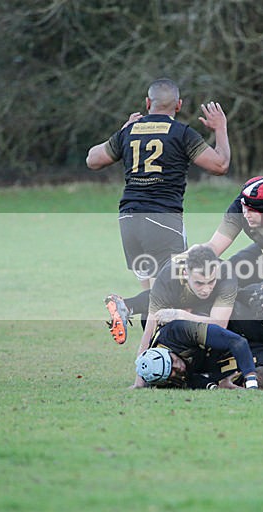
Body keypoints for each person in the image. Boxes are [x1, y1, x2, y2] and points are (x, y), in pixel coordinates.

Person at [86, 78, 230, 346]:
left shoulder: (129, 132)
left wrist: (123, 130)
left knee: (155, 297)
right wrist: (220, 128)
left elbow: (93, 159)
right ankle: (125, 305)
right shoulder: (181, 133)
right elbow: (220, 164)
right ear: (178, 104)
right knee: (175, 292)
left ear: (147, 103)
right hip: (163, 221)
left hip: (129, 222)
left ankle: (154, 358)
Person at [130, 245, 237, 388]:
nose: (206, 289)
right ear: (186, 273)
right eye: (199, 283)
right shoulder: (168, 277)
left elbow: (219, 324)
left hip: (209, 313)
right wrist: (139, 380)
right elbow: (150, 329)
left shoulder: (226, 274)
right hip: (181, 313)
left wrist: (180, 315)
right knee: (148, 319)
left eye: (211, 282)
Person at [135, 320, 259, 390]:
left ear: (167, 351)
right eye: (172, 373)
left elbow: (237, 342)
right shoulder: (161, 379)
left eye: (173, 362)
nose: (178, 368)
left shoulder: (179, 332)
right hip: (206, 358)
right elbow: (191, 381)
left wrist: (251, 383)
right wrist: (214, 386)